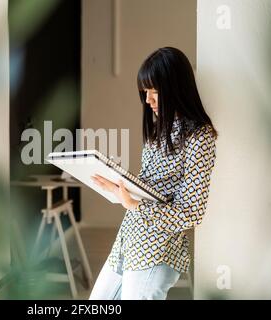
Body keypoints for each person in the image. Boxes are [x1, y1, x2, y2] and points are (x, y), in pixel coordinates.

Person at [89, 47, 218, 300]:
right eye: (145, 92)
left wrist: (135, 205)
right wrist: (117, 186)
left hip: (157, 250)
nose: (148, 100)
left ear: (176, 88)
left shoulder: (200, 137)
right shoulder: (160, 129)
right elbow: (151, 187)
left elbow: (193, 212)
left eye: (154, 91)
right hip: (129, 240)